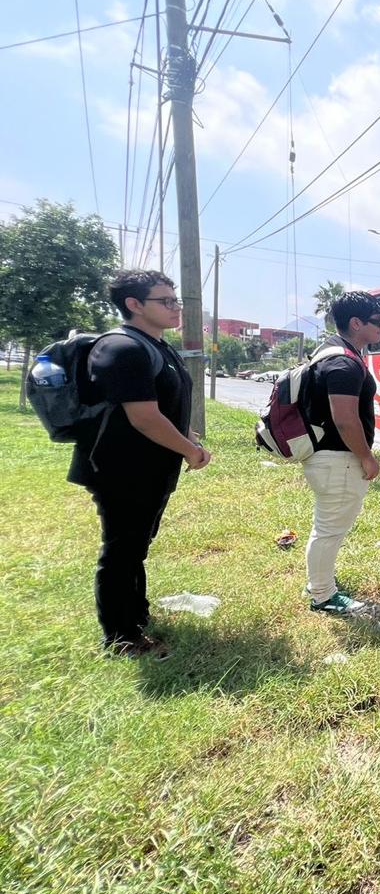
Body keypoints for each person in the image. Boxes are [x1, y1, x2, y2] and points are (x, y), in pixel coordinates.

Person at [68, 270, 210, 658]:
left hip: (149, 467)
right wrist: (188, 450)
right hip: (121, 469)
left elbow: (164, 405)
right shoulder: (122, 348)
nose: (175, 307)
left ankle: (136, 614)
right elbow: (144, 417)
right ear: (134, 304)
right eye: (165, 301)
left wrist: (188, 437)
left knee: (136, 544)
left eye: (175, 299)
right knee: (122, 549)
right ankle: (121, 636)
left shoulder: (157, 345)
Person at [302, 290, 380, 616]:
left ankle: (318, 582)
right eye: (377, 321)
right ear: (356, 323)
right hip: (338, 459)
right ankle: (323, 595)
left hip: (329, 458)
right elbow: (344, 417)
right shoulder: (343, 363)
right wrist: (366, 456)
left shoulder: (330, 352)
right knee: (330, 530)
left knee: (325, 526)